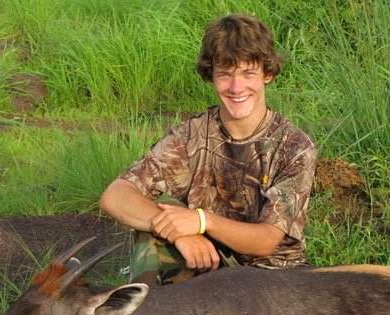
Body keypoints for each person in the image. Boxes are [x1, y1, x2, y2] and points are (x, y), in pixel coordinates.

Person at [99, 13, 317, 285]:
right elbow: (115, 195)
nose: (236, 87)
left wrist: (202, 221)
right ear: (211, 76)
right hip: (209, 267)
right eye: (225, 74)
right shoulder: (192, 135)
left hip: (275, 279)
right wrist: (179, 232)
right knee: (157, 224)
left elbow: (266, 241)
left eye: (248, 73)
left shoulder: (294, 146)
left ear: (267, 74)